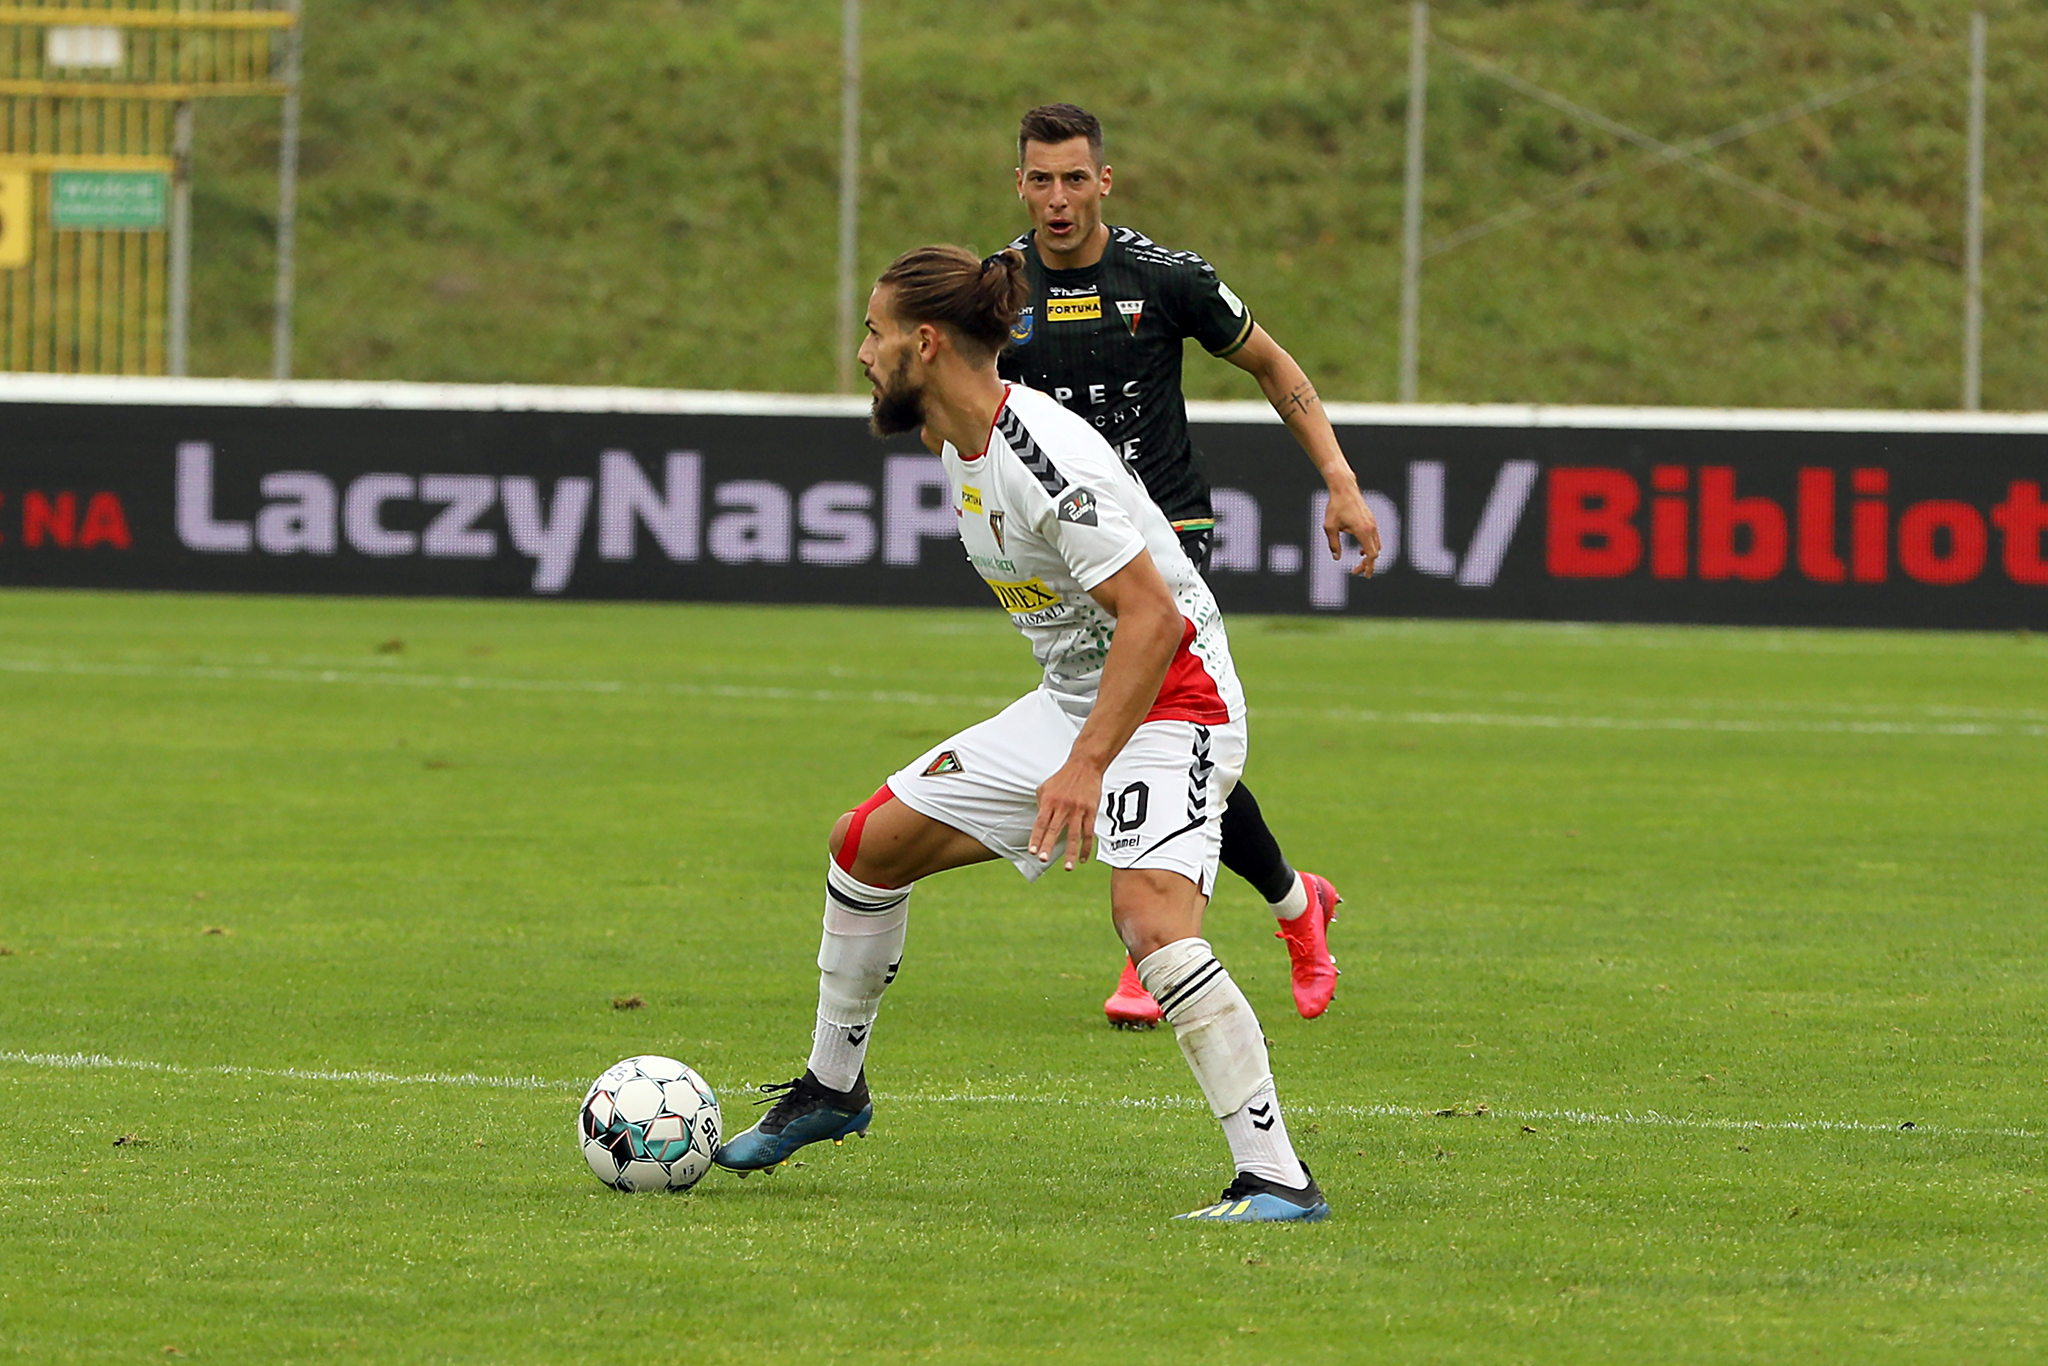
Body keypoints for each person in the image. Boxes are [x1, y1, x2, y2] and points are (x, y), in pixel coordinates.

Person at [713, 244, 1328, 1222]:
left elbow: (1153, 620)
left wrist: (1085, 765)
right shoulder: (952, 437)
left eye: (875, 333)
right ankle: (833, 1087)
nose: (862, 353)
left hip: (1177, 697)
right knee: (866, 845)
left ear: (924, 343)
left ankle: (1276, 1177)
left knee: (1151, 925)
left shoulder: (1044, 460)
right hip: (1076, 697)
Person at [997, 103, 1382, 1028]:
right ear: (1020, 185)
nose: (1059, 198)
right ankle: (1295, 899)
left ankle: (1151, 949)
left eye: (1075, 178)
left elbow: (1274, 366)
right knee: (1166, 737)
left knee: (1147, 720)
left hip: (1169, 530)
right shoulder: (997, 289)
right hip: (1067, 547)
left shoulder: (1167, 278)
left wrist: (1340, 480)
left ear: (1105, 180)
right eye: (1042, 180)